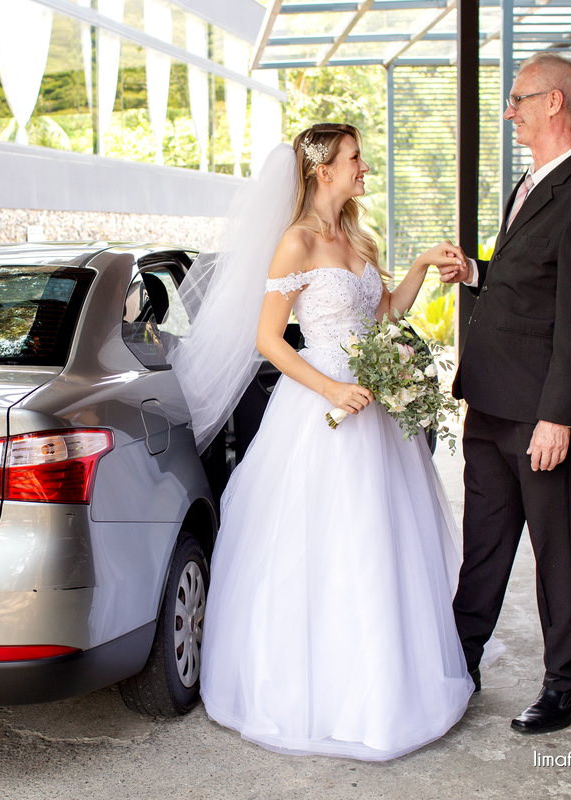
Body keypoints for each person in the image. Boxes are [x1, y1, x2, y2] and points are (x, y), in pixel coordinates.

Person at [170, 123, 473, 761]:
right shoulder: (296, 243)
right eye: (355, 158)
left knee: (380, 544)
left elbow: (384, 312)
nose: (364, 167)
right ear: (322, 169)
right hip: (321, 411)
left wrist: (419, 265)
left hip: (375, 414)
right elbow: (270, 340)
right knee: (323, 548)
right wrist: (331, 390)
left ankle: (386, 684)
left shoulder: (357, 237)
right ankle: (320, 691)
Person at [439, 53, 571, 733]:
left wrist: (557, 417)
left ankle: (566, 685)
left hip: (539, 416)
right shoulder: (531, 182)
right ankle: (461, 661)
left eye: (517, 99)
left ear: (554, 103)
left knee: (553, 547)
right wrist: (478, 271)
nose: (509, 110)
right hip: (490, 403)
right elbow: (534, 284)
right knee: (484, 540)